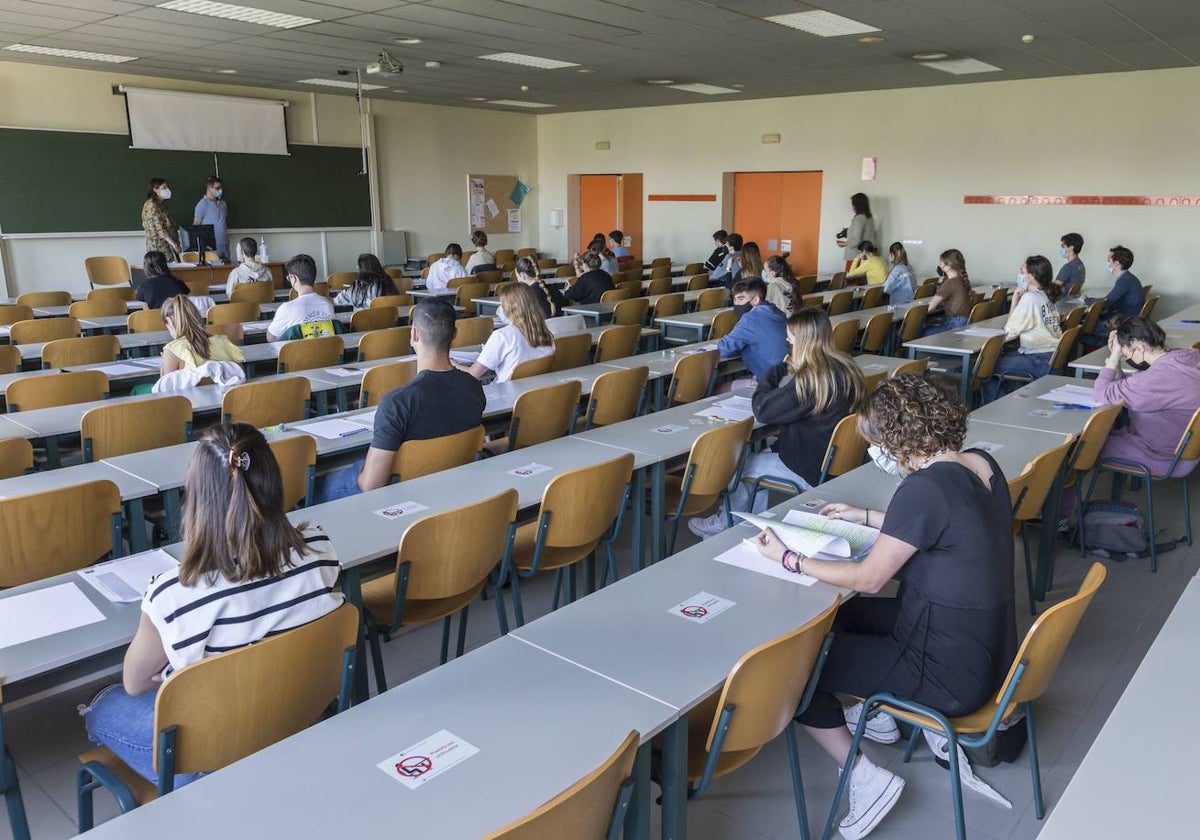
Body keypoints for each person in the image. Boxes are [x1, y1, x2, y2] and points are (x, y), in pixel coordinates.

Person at [753, 375, 1016, 840]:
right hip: (986, 647)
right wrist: (868, 517)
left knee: (794, 671)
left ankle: (863, 775)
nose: (879, 454)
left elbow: (868, 578)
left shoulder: (924, 490)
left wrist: (789, 558)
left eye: (878, 443)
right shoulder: (981, 464)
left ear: (897, 438)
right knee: (841, 617)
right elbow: (948, 525)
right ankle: (875, 713)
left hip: (947, 672)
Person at [82, 423, 343, 788]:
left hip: (214, 750)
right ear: (273, 482)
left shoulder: (173, 594)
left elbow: (137, 682)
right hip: (299, 710)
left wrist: (178, 673)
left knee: (103, 704)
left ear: (197, 498)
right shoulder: (319, 547)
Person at [689, 307, 865, 537]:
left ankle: (728, 523)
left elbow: (763, 410)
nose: (787, 341)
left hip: (809, 467)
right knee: (763, 450)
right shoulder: (847, 368)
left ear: (802, 341)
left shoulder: (809, 380)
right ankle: (750, 523)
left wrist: (774, 372)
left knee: (739, 463)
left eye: (790, 338)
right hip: (835, 462)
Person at [314, 299, 486, 501]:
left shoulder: (397, 403)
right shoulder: (474, 387)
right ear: (454, 334)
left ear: (414, 334)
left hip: (400, 494)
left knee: (305, 488)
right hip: (448, 483)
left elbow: (370, 485)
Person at [1093, 316, 1200, 476]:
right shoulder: (1189, 356)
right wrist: (1118, 364)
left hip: (1163, 455)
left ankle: (1069, 500)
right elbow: (1135, 389)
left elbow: (1101, 393)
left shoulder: (1156, 379)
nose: (1127, 357)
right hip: (1186, 448)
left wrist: (1114, 357)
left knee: (1085, 447)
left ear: (1139, 348)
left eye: (1126, 352)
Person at [981, 255, 1063, 403]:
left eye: (1022, 271)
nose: (1020, 275)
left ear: (1031, 277)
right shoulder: (1045, 295)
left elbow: (1009, 330)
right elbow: (1014, 324)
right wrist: (1015, 300)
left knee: (983, 368)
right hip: (1052, 357)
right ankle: (1010, 401)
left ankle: (1000, 406)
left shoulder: (1030, 298)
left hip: (1038, 359)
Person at [462, 282, 555, 382]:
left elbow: (472, 375)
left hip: (507, 393)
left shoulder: (502, 336)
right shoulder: (547, 334)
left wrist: (453, 365)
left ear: (509, 308)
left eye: (502, 305)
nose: (501, 308)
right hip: (534, 392)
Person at [717, 278, 789, 381]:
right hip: (787, 375)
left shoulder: (750, 319)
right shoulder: (776, 312)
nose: (736, 303)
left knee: (718, 389)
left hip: (771, 381)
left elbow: (723, 350)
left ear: (755, 300)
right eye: (735, 299)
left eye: (741, 299)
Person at [159, 294, 244, 378]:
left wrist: (164, 365)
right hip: (227, 391)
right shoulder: (223, 340)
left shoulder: (173, 350)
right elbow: (240, 371)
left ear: (168, 321)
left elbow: (166, 387)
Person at [266, 254, 336, 341]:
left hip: (297, 354)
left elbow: (271, 338)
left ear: (293, 278)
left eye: (289, 277)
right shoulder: (327, 303)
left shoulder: (286, 308)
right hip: (326, 353)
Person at [1085, 245, 1143, 328]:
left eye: (1108, 259)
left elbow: (1106, 302)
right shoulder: (1128, 277)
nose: (1107, 262)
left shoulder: (1124, 280)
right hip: (1127, 318)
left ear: (1116, 263)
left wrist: (1086, 299)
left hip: (1122, 323)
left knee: (1083, 326)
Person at [923, 248, 971, 334]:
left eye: (941, 262)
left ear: (948, 266)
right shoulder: (961, 280)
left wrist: (913, 314)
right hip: (962, 323)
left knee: (923, 333)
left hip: (954, 324)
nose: (939, 264)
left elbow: (929, 307)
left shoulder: (949, 283)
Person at [335, 253, 399, 311]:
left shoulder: (359, 285)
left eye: (359, 266)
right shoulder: (387, 280)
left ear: (363, 268)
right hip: (390, 319)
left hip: (367, 320)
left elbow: (338, 300)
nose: (357, 267)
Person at [141, 177, 180, 261]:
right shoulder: (151, 206)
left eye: (167, 187)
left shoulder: (163, 205)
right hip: (158, 247)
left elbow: (171, 224)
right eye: (164, 188)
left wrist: (176, 242)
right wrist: (174, 244)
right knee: (161, 269)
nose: (167, 190)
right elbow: (159, 229)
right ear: (155, 190)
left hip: (169, 245)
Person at [192, 176, 228, 261]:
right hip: (211, 246)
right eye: (217, 188)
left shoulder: (223, 204)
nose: (220, 190)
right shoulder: (202, 205)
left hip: (224, 243)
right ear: (209, 188)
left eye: (221, 187)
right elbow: (196, 226)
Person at [838, 193, 878, 270]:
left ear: (857, 205)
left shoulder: (859, 219)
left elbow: (856, 240)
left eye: (853, 204)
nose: (852, 207)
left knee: (852, 280)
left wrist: (844, 244)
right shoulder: (869, 219)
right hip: (868, 255)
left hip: (856, 256)